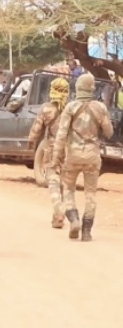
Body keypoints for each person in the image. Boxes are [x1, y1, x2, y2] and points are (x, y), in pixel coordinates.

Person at [52, 73, 113, 241]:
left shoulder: (70, 107)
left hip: (72, 156)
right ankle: (86, 232)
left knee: (68, 189)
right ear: (92, 88)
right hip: (92, 157)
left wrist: (56, 157)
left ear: (78, 88)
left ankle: (74, 220)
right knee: (90, 194)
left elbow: (61, 135)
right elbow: (109, 132)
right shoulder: (100, 108)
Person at [28, 77, 70, 229]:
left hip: (52, 150)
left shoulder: (46, 109)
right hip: (69, 151)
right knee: (65, 183)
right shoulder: (71, 109)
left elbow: (36, 129)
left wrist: (31, 142)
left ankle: (58, 211)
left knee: (52, 180)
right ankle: (60, 214)